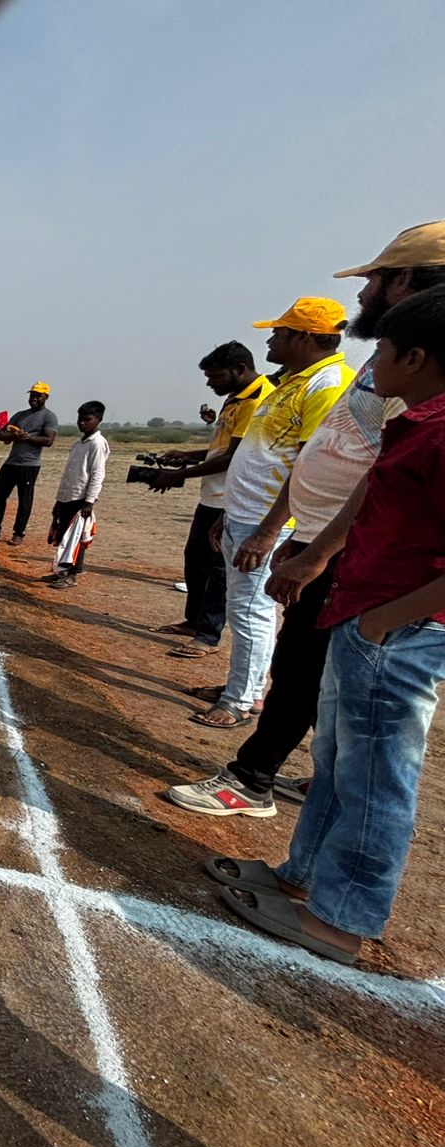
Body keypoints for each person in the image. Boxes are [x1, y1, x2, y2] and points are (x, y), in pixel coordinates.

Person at [169, 222, 445, 816]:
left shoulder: (415, 370)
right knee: (312, 671)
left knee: (308, 671)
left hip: (354, 553)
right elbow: (318, 455)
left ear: (404, 280)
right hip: (318, 540)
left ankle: (254, 777)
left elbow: (383, 471)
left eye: (374, 280)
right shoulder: (376, 364)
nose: (362, 294)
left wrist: (314, 549)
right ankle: (317, 779)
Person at [216, 283, 445, 964]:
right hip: (362, 610)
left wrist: (383, 622)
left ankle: (342, 921)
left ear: (416, 357)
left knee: (375, 778)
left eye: (385, 350)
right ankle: (304, 875)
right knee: (340, 760)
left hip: (397, 630)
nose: (372, 365)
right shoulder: (417, 421)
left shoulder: (440, 433)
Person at [190, 297, 353, 729]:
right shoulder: (289, 383)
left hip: (267, 522)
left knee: (251, 612)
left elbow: (309, 464)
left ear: (304, 337)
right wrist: (229, 511)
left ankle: (240, 700)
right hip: (245, 515)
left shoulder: (329, 384)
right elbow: (260, 455)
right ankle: (244, 685)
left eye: (279, 333)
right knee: (242, 607)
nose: (270, 341)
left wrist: (268, 530)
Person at [149, 344, 272, 656]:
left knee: (218, 570)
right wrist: (188, 456)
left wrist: (180, 475)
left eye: (215, 376)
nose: (209, 383)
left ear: (239, 369)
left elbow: (235, 457)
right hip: (211, 497)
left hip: (234, 499)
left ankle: (208, 635)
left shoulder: (258, 400)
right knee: (195, 560)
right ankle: (193, 621)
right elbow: (222, 449)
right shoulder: (234, 398)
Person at [42, 402, 109, 589]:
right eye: (80, 419)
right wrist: (59, 500)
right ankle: (61, 571)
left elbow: (97, 474)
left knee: (75, 537)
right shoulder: (78, 444)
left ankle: (72, 575)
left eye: (87, 419)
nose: (82, 423)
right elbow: (69, 473)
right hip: (67, 496)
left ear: (98, 420)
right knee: (63, 535)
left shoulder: (97, 444)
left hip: (80, 498)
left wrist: (89, 501)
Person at [0, 382, 58, 544]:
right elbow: (0, 434)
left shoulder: (49, 416)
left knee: (24, 500)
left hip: (29, 464)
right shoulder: (20, 415)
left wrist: (28, 437)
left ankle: (18, 533)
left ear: (46, 397)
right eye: (32, 395)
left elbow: (48, 440)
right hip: (12, 462)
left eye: (38, 396)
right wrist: (14, 436)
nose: (34, 399)